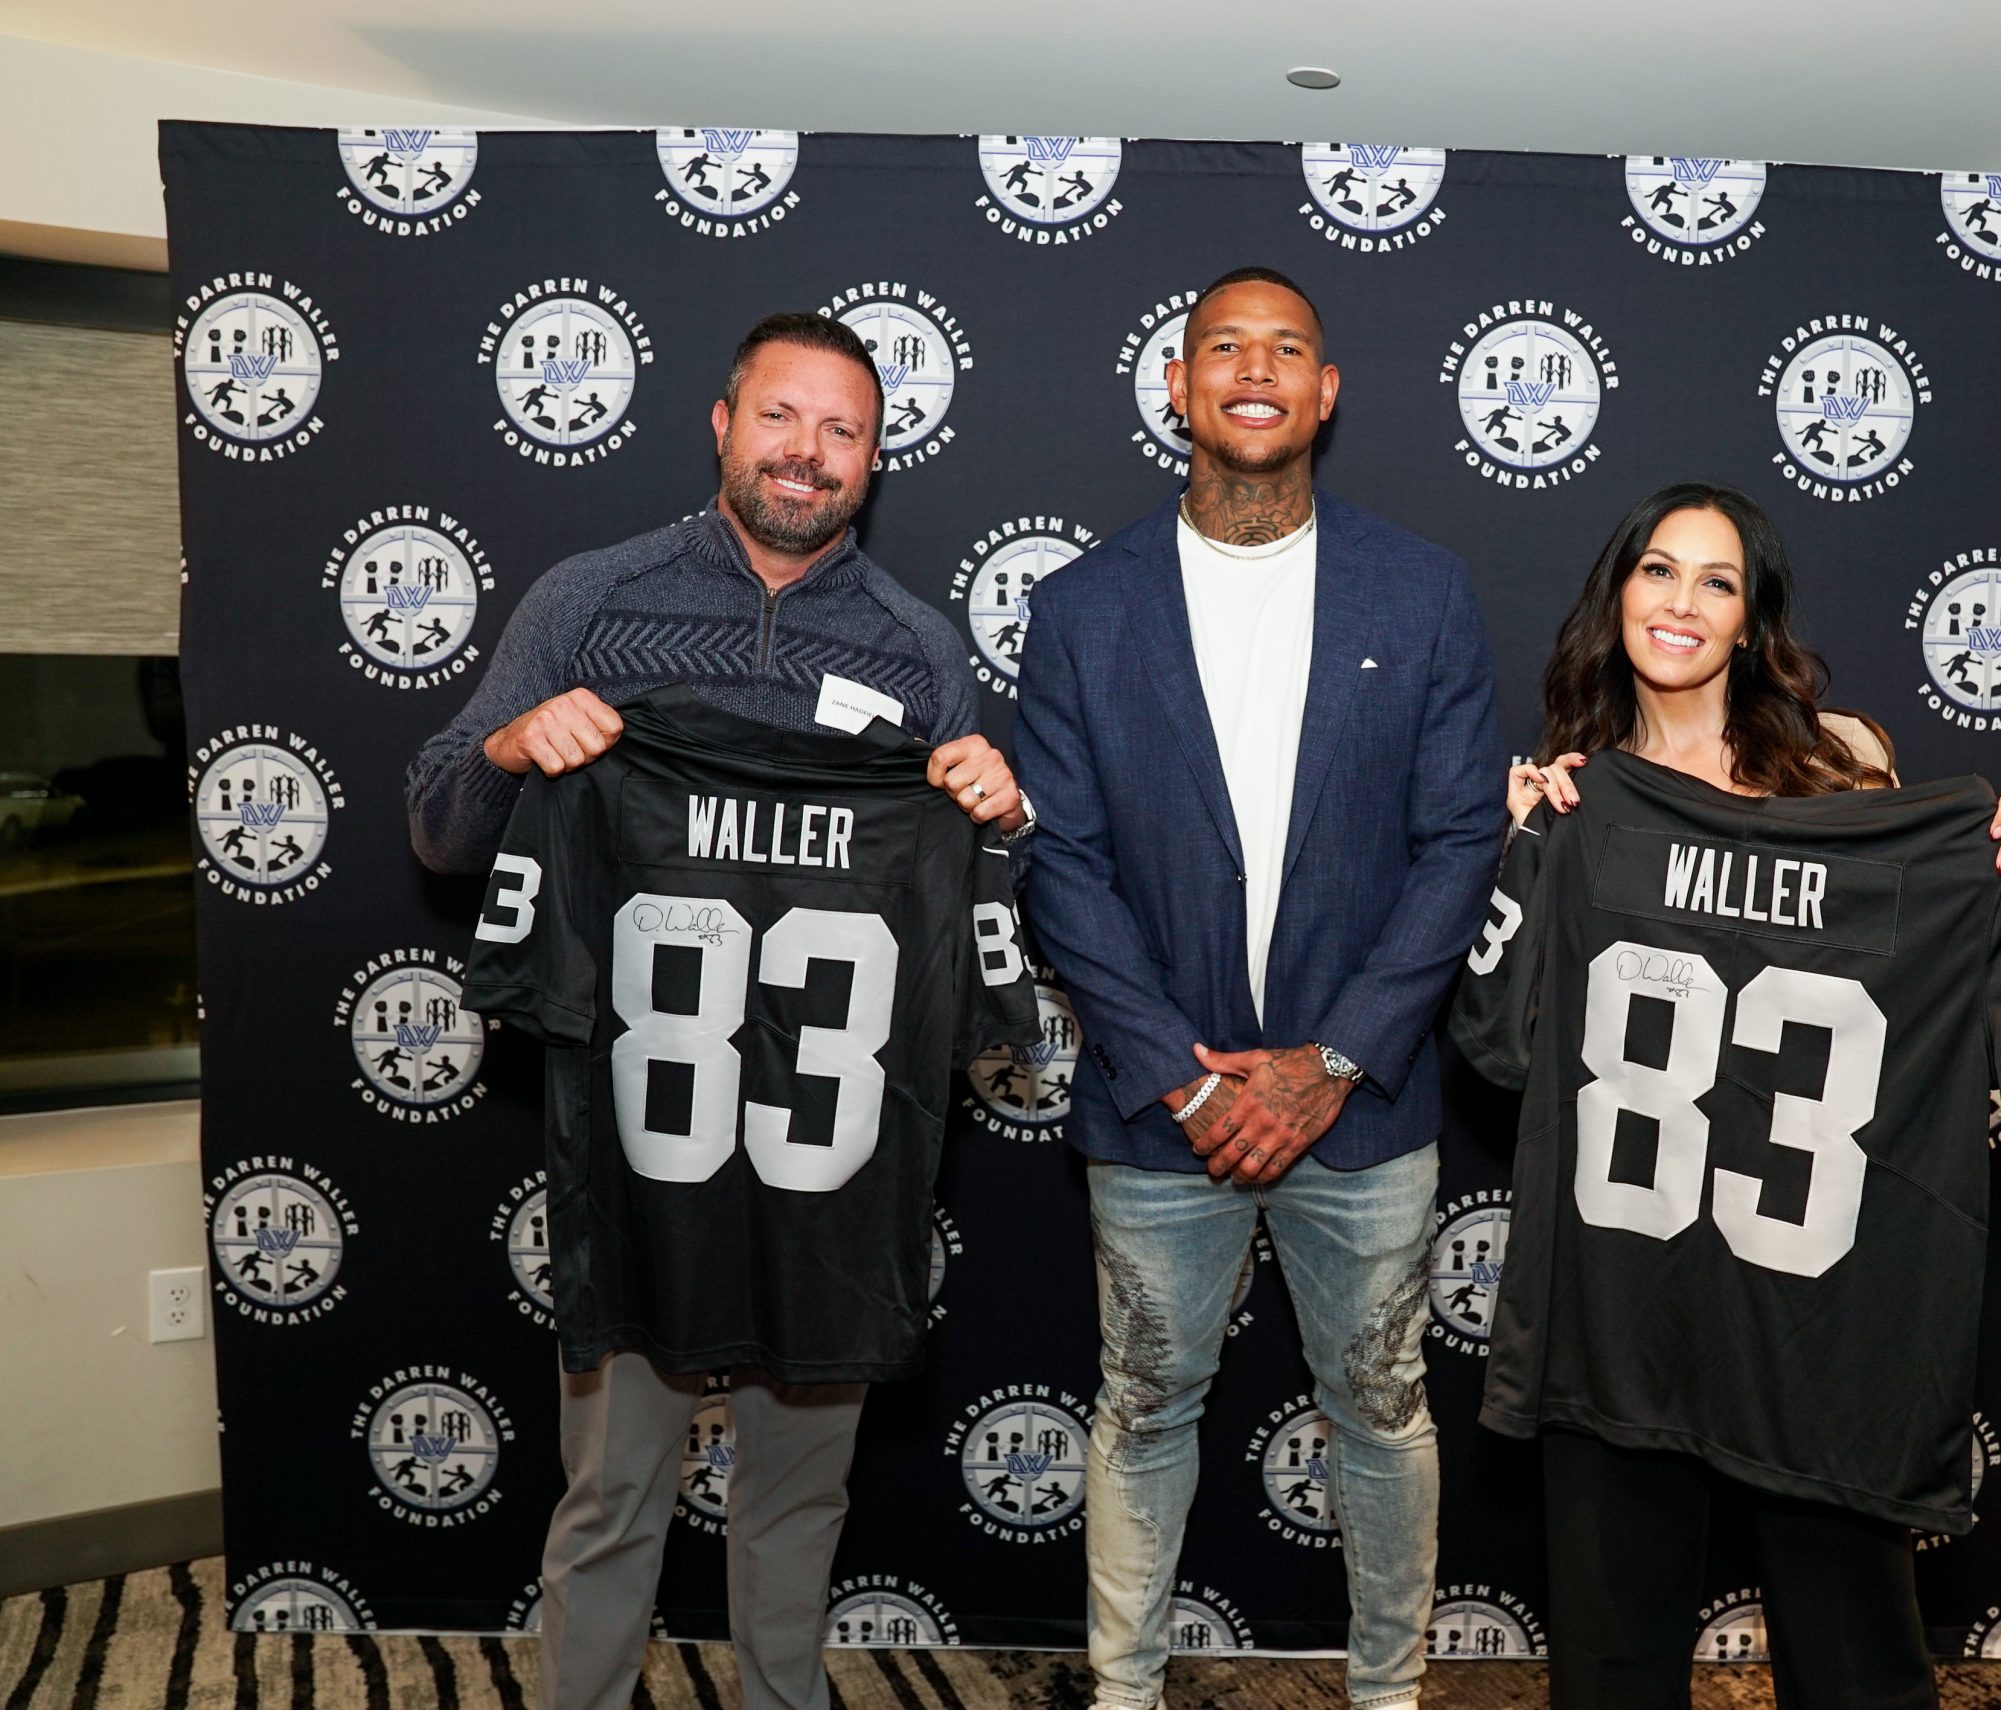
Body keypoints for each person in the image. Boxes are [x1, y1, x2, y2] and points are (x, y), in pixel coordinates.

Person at [405, 311, 1031, 1710]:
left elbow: (969, 901)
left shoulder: (917, 648)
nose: (807, 452)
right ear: (722, 423)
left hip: (824, 1168)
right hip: (648, 1148)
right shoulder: (588, 600)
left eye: (842, 430)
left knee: (798, 1504)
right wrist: (514, 744)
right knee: (611, 1490)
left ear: (874, 459)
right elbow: (442, 827)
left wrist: (1003, 820)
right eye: (780, 417)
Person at [1012, 266, 1505, 1710]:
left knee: (1384, 1409)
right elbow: (1062, 864)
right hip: (1160, 1112)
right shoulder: (1082, 607)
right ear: (1177, 385)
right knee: (1142, 1405)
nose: (1254, 368)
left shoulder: (1420, 590)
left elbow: (1459, 842)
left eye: (1286, 348)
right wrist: (1181, 1073)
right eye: (1223, 345)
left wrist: (1331, 1059)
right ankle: (1122, 1691)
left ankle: (1388, 1693)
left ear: (1325, 392)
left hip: (1362, 1112)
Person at [1496, 482, 2001, 1710]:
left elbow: (1934, 962)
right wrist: (1521, 856)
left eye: (1718, 581)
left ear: (1751, 621)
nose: (1681, 602)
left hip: (1818, 1302)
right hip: (1628, 1293)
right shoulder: (1581, 796)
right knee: (1611, 1658)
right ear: (1618, 593)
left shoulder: (1842, 766)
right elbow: (1501, 1044)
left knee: (1854, 1655)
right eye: (1658, 570)